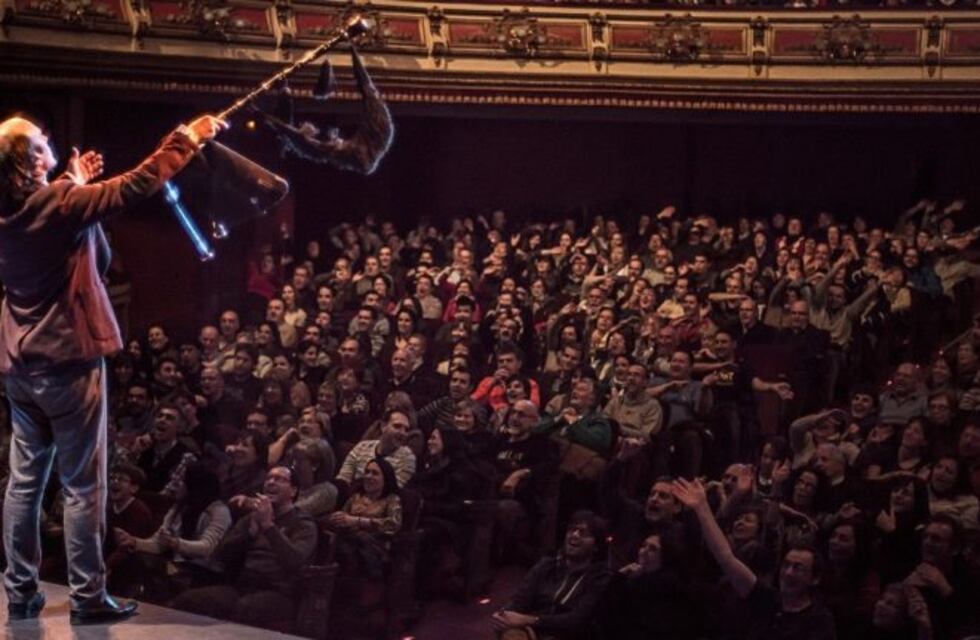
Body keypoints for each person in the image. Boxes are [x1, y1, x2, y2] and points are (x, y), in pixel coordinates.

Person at [0, 111, 225, 624]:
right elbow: (136, 185)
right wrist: (184, 140)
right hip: (67, 364)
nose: (47, 140)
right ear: (29, 161)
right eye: (40, 141)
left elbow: (57, 219)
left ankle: (20, 592)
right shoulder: (59, 203)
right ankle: (86, 597)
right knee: (82, 486)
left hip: (18, 363)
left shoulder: (27, 207)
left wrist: (74, 185)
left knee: (24, 483)